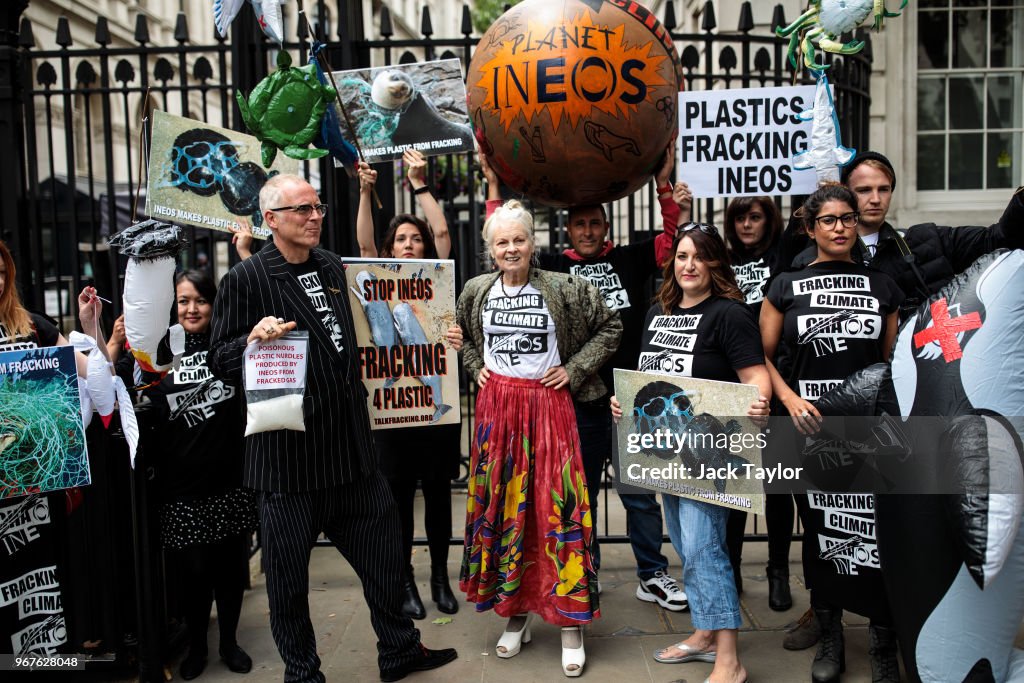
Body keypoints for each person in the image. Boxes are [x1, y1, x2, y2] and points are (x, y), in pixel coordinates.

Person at [207, 174, 458, 683]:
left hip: (350, 457)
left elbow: (380, 313)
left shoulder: (328, 265)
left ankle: (400, 651)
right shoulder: (248, 279)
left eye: (317, 206)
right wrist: (251, 340)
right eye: (302, 209)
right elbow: (218, 359)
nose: (315, 216)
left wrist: (437, 329)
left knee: (385, 563)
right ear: (271, 220)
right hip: (289, 466)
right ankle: (303, 674)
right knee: (288, 587)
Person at [480, 149, 689, 614]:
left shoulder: (633, 258)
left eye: (595, 223)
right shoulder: (552, 269)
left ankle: (652, 575)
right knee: (581, 497)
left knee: (639, 494)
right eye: (580, 225)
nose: (589, 231)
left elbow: (674, 244)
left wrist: (665, 187)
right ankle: (583, 577)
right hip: (582, 403)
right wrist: (493, 186)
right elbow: (505, 246)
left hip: (635, 395)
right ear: (567, 231)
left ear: (606, 227)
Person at [456, 199, 622, 677]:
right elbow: (461, 336)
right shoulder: (476, 291)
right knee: (508, 513)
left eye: (519, 239)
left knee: (558, 512)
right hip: (498, 413)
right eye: (502, 242)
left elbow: (611, 326)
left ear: (534, 243)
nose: (511, 249)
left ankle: (570, 623)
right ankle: (516, 615)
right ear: (491, 249)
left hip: (551, 411)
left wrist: (573, 369)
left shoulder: (566, 288)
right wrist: (474, 367)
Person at [612, 222, 771, 683]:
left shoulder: (729, 314)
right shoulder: (656, 312)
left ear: (716, 263)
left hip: (708, 452)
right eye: (682, 256)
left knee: (705, 549)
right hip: (665, 452)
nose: (689, 265)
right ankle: (703, 634)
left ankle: (730, 660)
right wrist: (625, 401)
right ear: (672, 263)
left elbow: (754, 375)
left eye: (699, 257)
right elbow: (649, 378)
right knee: (685, 545)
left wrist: (758, 400)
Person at [760, 184, 904, 683]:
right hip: (807, 428)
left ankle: (884, 644)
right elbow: (761, 354)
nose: (840, 226)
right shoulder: (785, 285)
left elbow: (891, 364)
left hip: (865, 433)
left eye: (847, 218)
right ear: (810, 228)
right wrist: (789, 398)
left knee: (877, 534)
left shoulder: (883, 286)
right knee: (823, 533)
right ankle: (832, 638)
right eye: (829, 220)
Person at [675, 190, 799, 611]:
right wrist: (685, 213)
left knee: (777, 488)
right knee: (732, 489)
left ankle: (778, 571)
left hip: (770, 384)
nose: (747, 224)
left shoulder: (783, 257)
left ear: (770, 221)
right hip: (727, 389)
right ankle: (729, 570)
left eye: (756, 216)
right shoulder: (716, 260)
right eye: (740, 217)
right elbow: (684, 253)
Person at [132, 270, 258, 680]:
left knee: (229, 569)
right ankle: (199, 647)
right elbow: (130, 392)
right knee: (194, 573)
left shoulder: (228, 348)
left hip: (230, 479)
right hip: (179, 486)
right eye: (183, 300)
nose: (191, 308)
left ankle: (229, 643)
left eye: (199, 300)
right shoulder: (159, 353)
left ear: (212, 303)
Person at [355, 151, 461, 619]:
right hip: (394, 409)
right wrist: (363, 191)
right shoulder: (376, 277)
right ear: (389, 247)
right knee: (397, 499)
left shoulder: (438, 278)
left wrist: (418, 183)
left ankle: (440, 578)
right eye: (400, 239)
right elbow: (362, 244)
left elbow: (442, 233)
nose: (410, 245)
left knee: (438, 495)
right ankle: (404, 582)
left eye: (415, 239)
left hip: (435, 408)